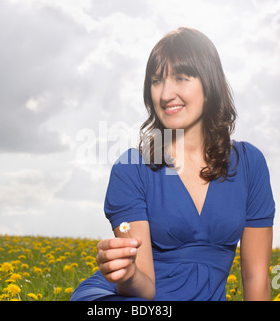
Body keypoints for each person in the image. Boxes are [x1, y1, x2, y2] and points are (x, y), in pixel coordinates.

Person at [71, 27, 275, 301]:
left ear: (209, 83)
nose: (166, 94)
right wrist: (128, 273)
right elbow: (145, 288)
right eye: (156, 81)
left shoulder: (250, 165)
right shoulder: (131, 168)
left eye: (180, 78)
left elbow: (257, 279)